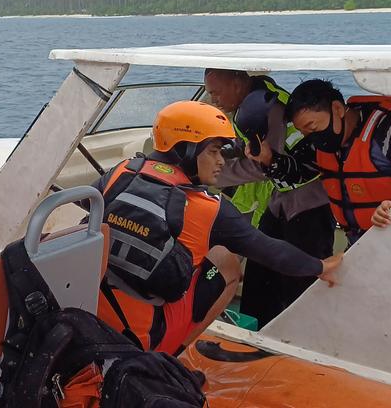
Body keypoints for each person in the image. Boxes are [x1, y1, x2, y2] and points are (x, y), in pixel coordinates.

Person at [92, 100, 342, 356]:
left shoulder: (120, 172)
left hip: (93, 317)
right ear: (186, 149)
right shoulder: (208, 208)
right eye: (213, 151)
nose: (221, 161)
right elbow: (271, 252)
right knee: (226, 262)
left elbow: (86, 205)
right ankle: (166, 356)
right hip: (143, 337)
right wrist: (321, 267)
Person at [204, 69, 335, 327]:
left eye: (216, 92)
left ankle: (299, 340)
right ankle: (257, 332)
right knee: (259, 270)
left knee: (300, 282)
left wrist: (211, 174)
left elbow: (259, 166)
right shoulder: (252, 103)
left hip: (309, 202)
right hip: (280, 200)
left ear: (239, 83)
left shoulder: (264, 109)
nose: (213, 99)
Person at [250, 78, 391, 245]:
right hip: (360, 246)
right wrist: (268, 158)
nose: (311, 138)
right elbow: (297, 173)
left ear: (337, 109)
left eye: (313, 127)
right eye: (304, 133)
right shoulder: (320, 144)